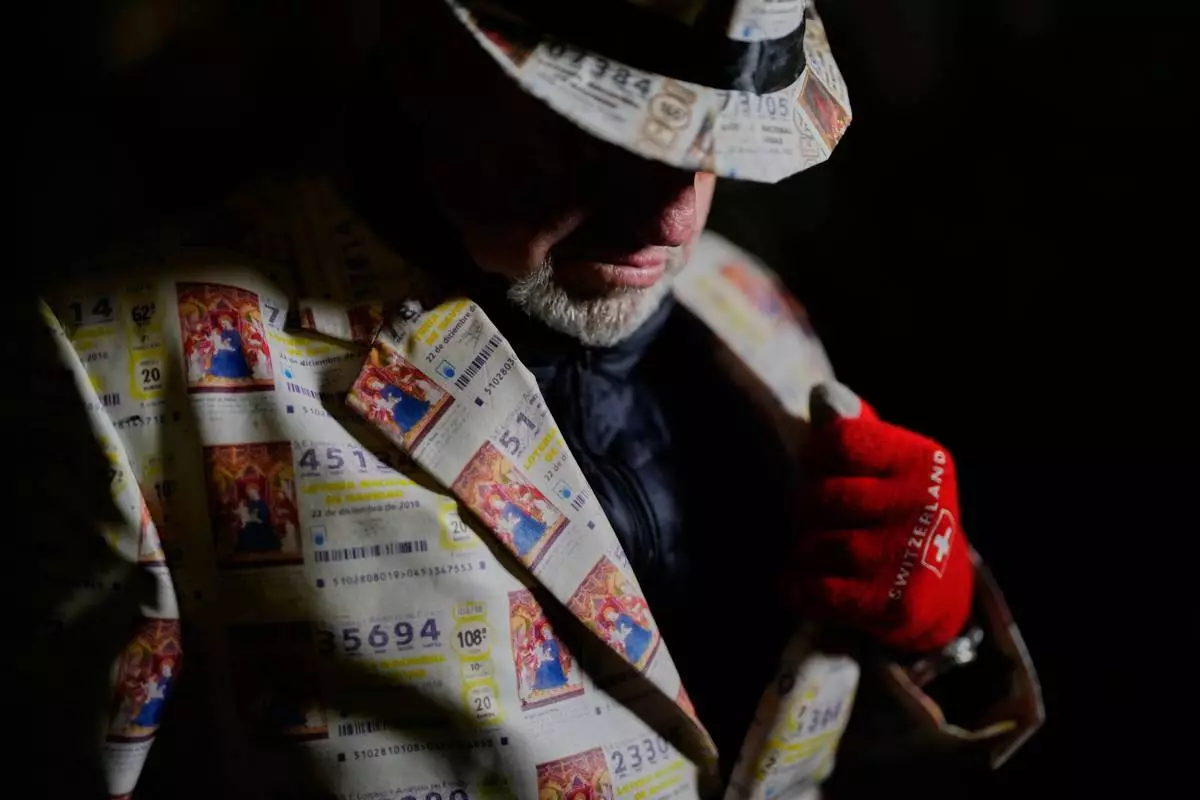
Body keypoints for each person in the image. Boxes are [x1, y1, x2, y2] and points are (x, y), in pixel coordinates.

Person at [33, 1, 1041, 798]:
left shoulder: (752, 310)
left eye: (709, 135)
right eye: (606, 126)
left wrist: (935, 643)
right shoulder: (117, 380)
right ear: (426, 44)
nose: (675, 207)